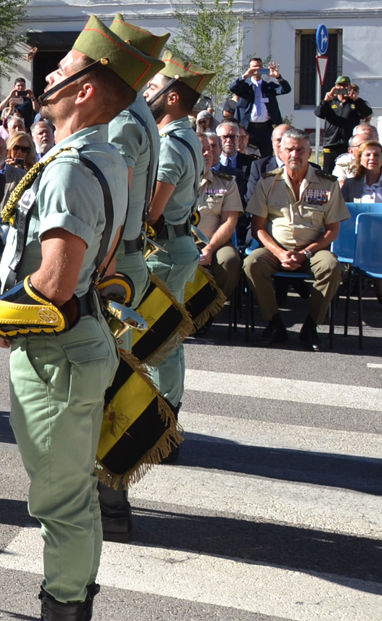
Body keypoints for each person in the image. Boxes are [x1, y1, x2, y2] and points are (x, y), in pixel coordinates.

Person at [0, 15, 155, 621]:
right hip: (76, 347)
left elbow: (54, 280)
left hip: (57, 355)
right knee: (69, 496)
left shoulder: (75, 167)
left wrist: (1, 315)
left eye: (63, 68)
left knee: (63, 501)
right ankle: (62, 616)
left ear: (85, 91)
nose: (49, 73)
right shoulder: (105, 156)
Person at [144, 55, 212, 413]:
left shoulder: (171, 143)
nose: (146, 93)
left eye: (153, 87)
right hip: (177, 245)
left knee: (162, 338)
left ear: (172, 97)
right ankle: (165, 411)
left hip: (166, 249)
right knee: (168, 337)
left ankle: (163, 416)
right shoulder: (185, 136)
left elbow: (153, 211)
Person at [244, 128, 347, 350]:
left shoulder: (328, 184)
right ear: (280, 152)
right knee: (252, 263)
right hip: (276, 249)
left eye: (300, 150)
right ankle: (274, 323)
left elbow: (332, 231)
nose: (294, 154)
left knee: (332, 266)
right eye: (289, 149)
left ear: (310, 153)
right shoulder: (267, 182)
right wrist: (280, 253)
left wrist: (305, 253)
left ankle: (311, 326)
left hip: (313, 251)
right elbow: (258, 229)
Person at [105, 16, 168, 340]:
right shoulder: (136, 106)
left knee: (109, 367)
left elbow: (118, 195)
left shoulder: (123, 117)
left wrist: (105, 265)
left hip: (117, 258)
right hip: (129, 251)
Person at [197, 134, 245, 300]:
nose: (207, 154)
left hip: (215, 243)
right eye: (202, 150)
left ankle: (209, 312)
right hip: (181, 242)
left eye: (209, 150)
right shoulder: (174, 181)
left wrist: (209, 249)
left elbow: (229, 221)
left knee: (229, 260)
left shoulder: (226, 182)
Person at [229, 57, 291, 159]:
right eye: (254, 67)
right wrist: (245, 76)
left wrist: (278, 77)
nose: (257, 69)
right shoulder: (245, 87)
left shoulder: (268, 87)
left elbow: (286, 89)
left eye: (259, 67)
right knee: (245, 156)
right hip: (248, 129)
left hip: (265, 129)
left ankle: (264, 174)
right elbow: (232, 88)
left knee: (266, 157)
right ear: (249, 69)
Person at [316, 76, 371, 174]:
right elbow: (319, 114)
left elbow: (366, 113)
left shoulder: (355, 102)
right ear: (335, 86)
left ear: (349, 87)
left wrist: (356, 100)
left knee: (350, 171)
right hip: (331, 143)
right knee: (328, 174)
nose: (342, 88)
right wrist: (326, 101)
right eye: (339, 85)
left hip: (348, 144)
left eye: (345, 86)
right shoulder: (330, 102)